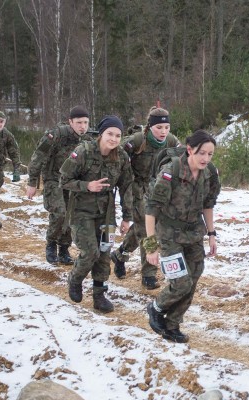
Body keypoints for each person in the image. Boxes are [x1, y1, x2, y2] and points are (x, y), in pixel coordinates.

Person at [145, 130, 220, 343]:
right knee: (181, 282)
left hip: (193, 233)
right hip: (168, 235)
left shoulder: (209, 173)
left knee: (194, 275)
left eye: (210, 154)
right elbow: (151, 211)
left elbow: (208, 204)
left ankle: (172, 323)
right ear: (189, 150)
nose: (206, 158)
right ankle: (156, 308)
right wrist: (151, 247)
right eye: (201, 153)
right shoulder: (171, 173)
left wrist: (212, 234)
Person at [59, 115, 133, 313]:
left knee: (104, 253)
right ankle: (75, 278)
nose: (114, 139)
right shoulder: (83, 151)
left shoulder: (122, 157)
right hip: (81, 210)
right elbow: (64, 180)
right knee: (90, 252)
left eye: (118, 135)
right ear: (101, 134)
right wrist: (86, 185)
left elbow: (127, 187)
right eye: (110, 134)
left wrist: (127, 217)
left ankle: (99, 294)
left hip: (106, 213)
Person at [110, 107, 181, 290]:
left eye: (166, 127)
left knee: (142, 227)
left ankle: (120, 254)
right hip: (136, 187)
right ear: (150, 127)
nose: (163, 132)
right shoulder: (137, 140)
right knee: (147, 229)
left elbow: (183, 160)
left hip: (157, 189)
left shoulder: (172, 141)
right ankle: (148, 274)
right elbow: (115, 155)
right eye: (159, 127)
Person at [26, 106, 93, 265]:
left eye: (85, 122)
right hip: (53, 179)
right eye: (78, 122)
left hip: (73, 183)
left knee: (71, 215)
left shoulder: (88, 140)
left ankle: (64, 248)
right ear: (70, 122)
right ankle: (51, 244)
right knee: (60, 213)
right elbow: (38, 156)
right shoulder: (56, 135)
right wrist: (32, 182)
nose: (82, 126)